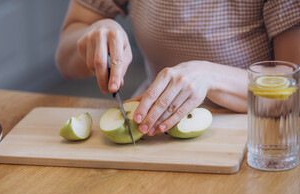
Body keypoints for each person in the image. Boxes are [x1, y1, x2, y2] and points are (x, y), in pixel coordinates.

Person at [56, 0, 300, 136]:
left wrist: (210, 78)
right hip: (157, 132)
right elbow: (65, 61)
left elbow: (293, 90)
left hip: (258, 139)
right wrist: (92, 33)